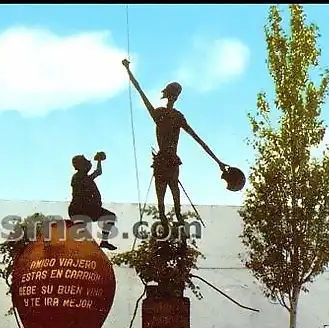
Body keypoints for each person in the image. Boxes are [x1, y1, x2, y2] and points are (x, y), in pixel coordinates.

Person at [121, 59, 226, 228]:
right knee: (164, 201)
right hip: (165, 161)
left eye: (176, 94)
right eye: (174, 94)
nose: (175, 97)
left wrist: (218, 162)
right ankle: (168, 226)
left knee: (173, 202)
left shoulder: (174, 116)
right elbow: (139, 90)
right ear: (172, 95)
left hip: (168, 161)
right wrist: (127, 70)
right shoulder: (162, 114)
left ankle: (175, 225)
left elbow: (198, 140)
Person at [68, 152, 117, 251]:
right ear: (81, 165)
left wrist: (99, 161)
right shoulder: (78, 177)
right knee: (82, 237)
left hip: (87, 209)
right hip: (80, 210)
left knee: (110, 217)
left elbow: (98, 172)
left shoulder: (85, 177)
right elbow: (95, 173)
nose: (89, 162)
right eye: (86, 161)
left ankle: (104, 241)